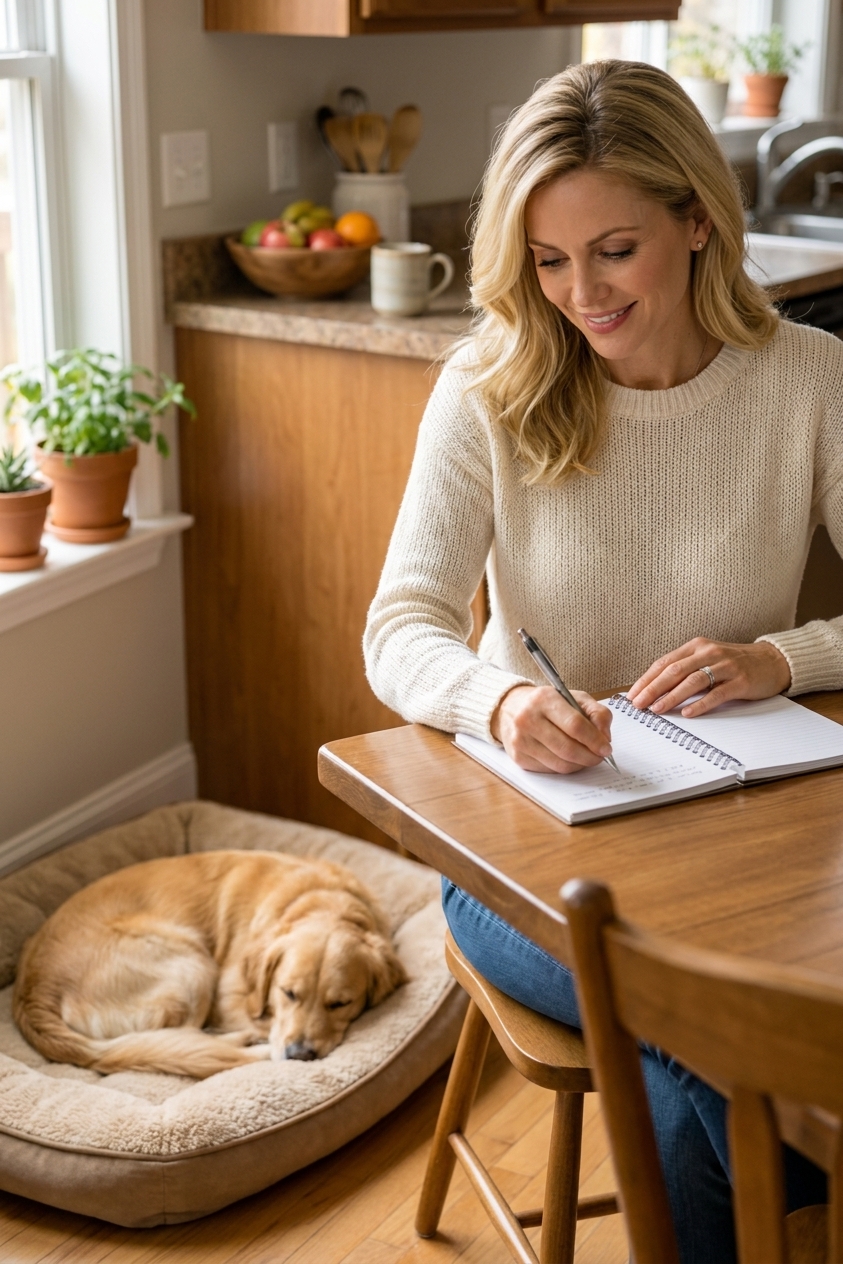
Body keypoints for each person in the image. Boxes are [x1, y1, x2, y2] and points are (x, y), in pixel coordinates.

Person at [364, 59, 843, 1264]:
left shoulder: (810, 383)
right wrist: (506, 697)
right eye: (548, 260)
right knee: (713, 1035)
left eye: (614, 250)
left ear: (696, 219)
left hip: (748, 853)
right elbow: (400, 625)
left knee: (739, 1023)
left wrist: (781, 660)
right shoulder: (489, 384)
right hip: (526, 860)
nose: (582, 292)